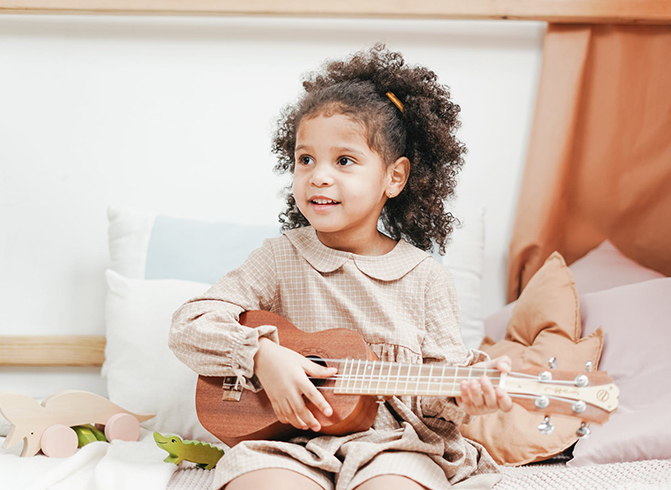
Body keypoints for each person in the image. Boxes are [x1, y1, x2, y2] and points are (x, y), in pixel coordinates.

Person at [169, 43, 512, 490]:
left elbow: (436, 398)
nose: (319, 175)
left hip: (397, 448)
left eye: (344, 160)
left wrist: (464, 395)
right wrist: (262, 356)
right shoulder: (280, 258)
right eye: (305, 159)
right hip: (291, 442)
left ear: (394, 177)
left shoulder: (426, 278)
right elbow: (188, 325)